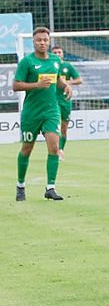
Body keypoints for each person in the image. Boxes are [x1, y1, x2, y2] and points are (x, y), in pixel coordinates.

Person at [13, 27, 70, 201]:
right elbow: (16, 85)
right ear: (34, 42)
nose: (42, 43)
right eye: (39, 40)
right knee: (27, 148)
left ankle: (50, 187)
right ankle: (20, 185)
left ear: (49, 41)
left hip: (51, 110)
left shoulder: (55, 61)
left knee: (54, 146)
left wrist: (66, 86)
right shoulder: (27, 62)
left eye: (45, 40)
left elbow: (58, 79)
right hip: (32, 112)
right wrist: (36, 85)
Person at [50, 45, 82, 160]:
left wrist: (66, 82)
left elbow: (79, 80)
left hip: (65, 100)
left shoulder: (68, 66)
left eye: (59, 52)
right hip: (52, 101)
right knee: (55, 127)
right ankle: (55, 150)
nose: (57, 54)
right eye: (55, 52)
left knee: (64, 127)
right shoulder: (49, 66)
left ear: (62, 54)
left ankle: (61, 149)